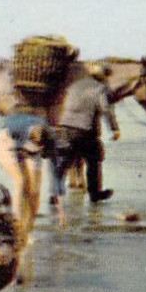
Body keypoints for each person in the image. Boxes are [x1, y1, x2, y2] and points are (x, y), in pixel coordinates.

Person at [52, 69, 120, 202]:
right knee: (94, 161)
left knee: (63, 163)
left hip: (65, 128)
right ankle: (95, 194)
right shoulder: (99, 89)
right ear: (101, 78)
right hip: (85, 130)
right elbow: (106, 109)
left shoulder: (73, 86)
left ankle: (54, 195)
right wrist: (114, 129)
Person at [0, 109, 65, 236]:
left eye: (42, 147)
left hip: (32, 153)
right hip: (9, 147)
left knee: (35, 191)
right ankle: (17, 224)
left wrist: (61, 211)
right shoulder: (16, 129)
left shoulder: (50, 139)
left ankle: (28, 228)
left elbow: (57, 175)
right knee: (22, 182)